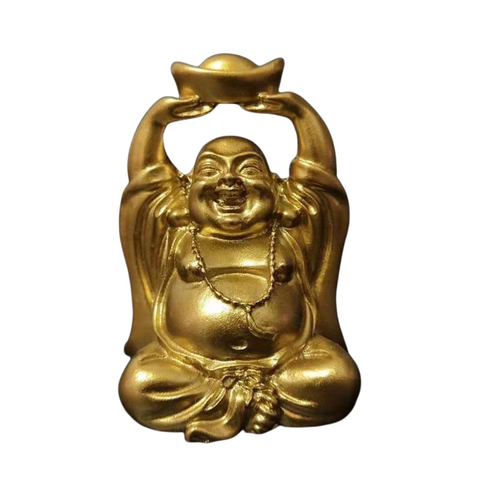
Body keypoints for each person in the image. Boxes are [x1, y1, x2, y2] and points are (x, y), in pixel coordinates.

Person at [119, 92, 360, 442]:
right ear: (186, 190)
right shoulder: (176, 232)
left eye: (248, 169)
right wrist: (156, 122)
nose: (229, 180)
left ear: (276, 188)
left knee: (338, 377)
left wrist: (300, 114)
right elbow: (147, 179)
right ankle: (254, 400)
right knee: (140, 384)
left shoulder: (292, 231)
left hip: (285, 361)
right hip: (189, 365)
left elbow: (318, 178)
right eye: (210, 170)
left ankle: (230, 403)